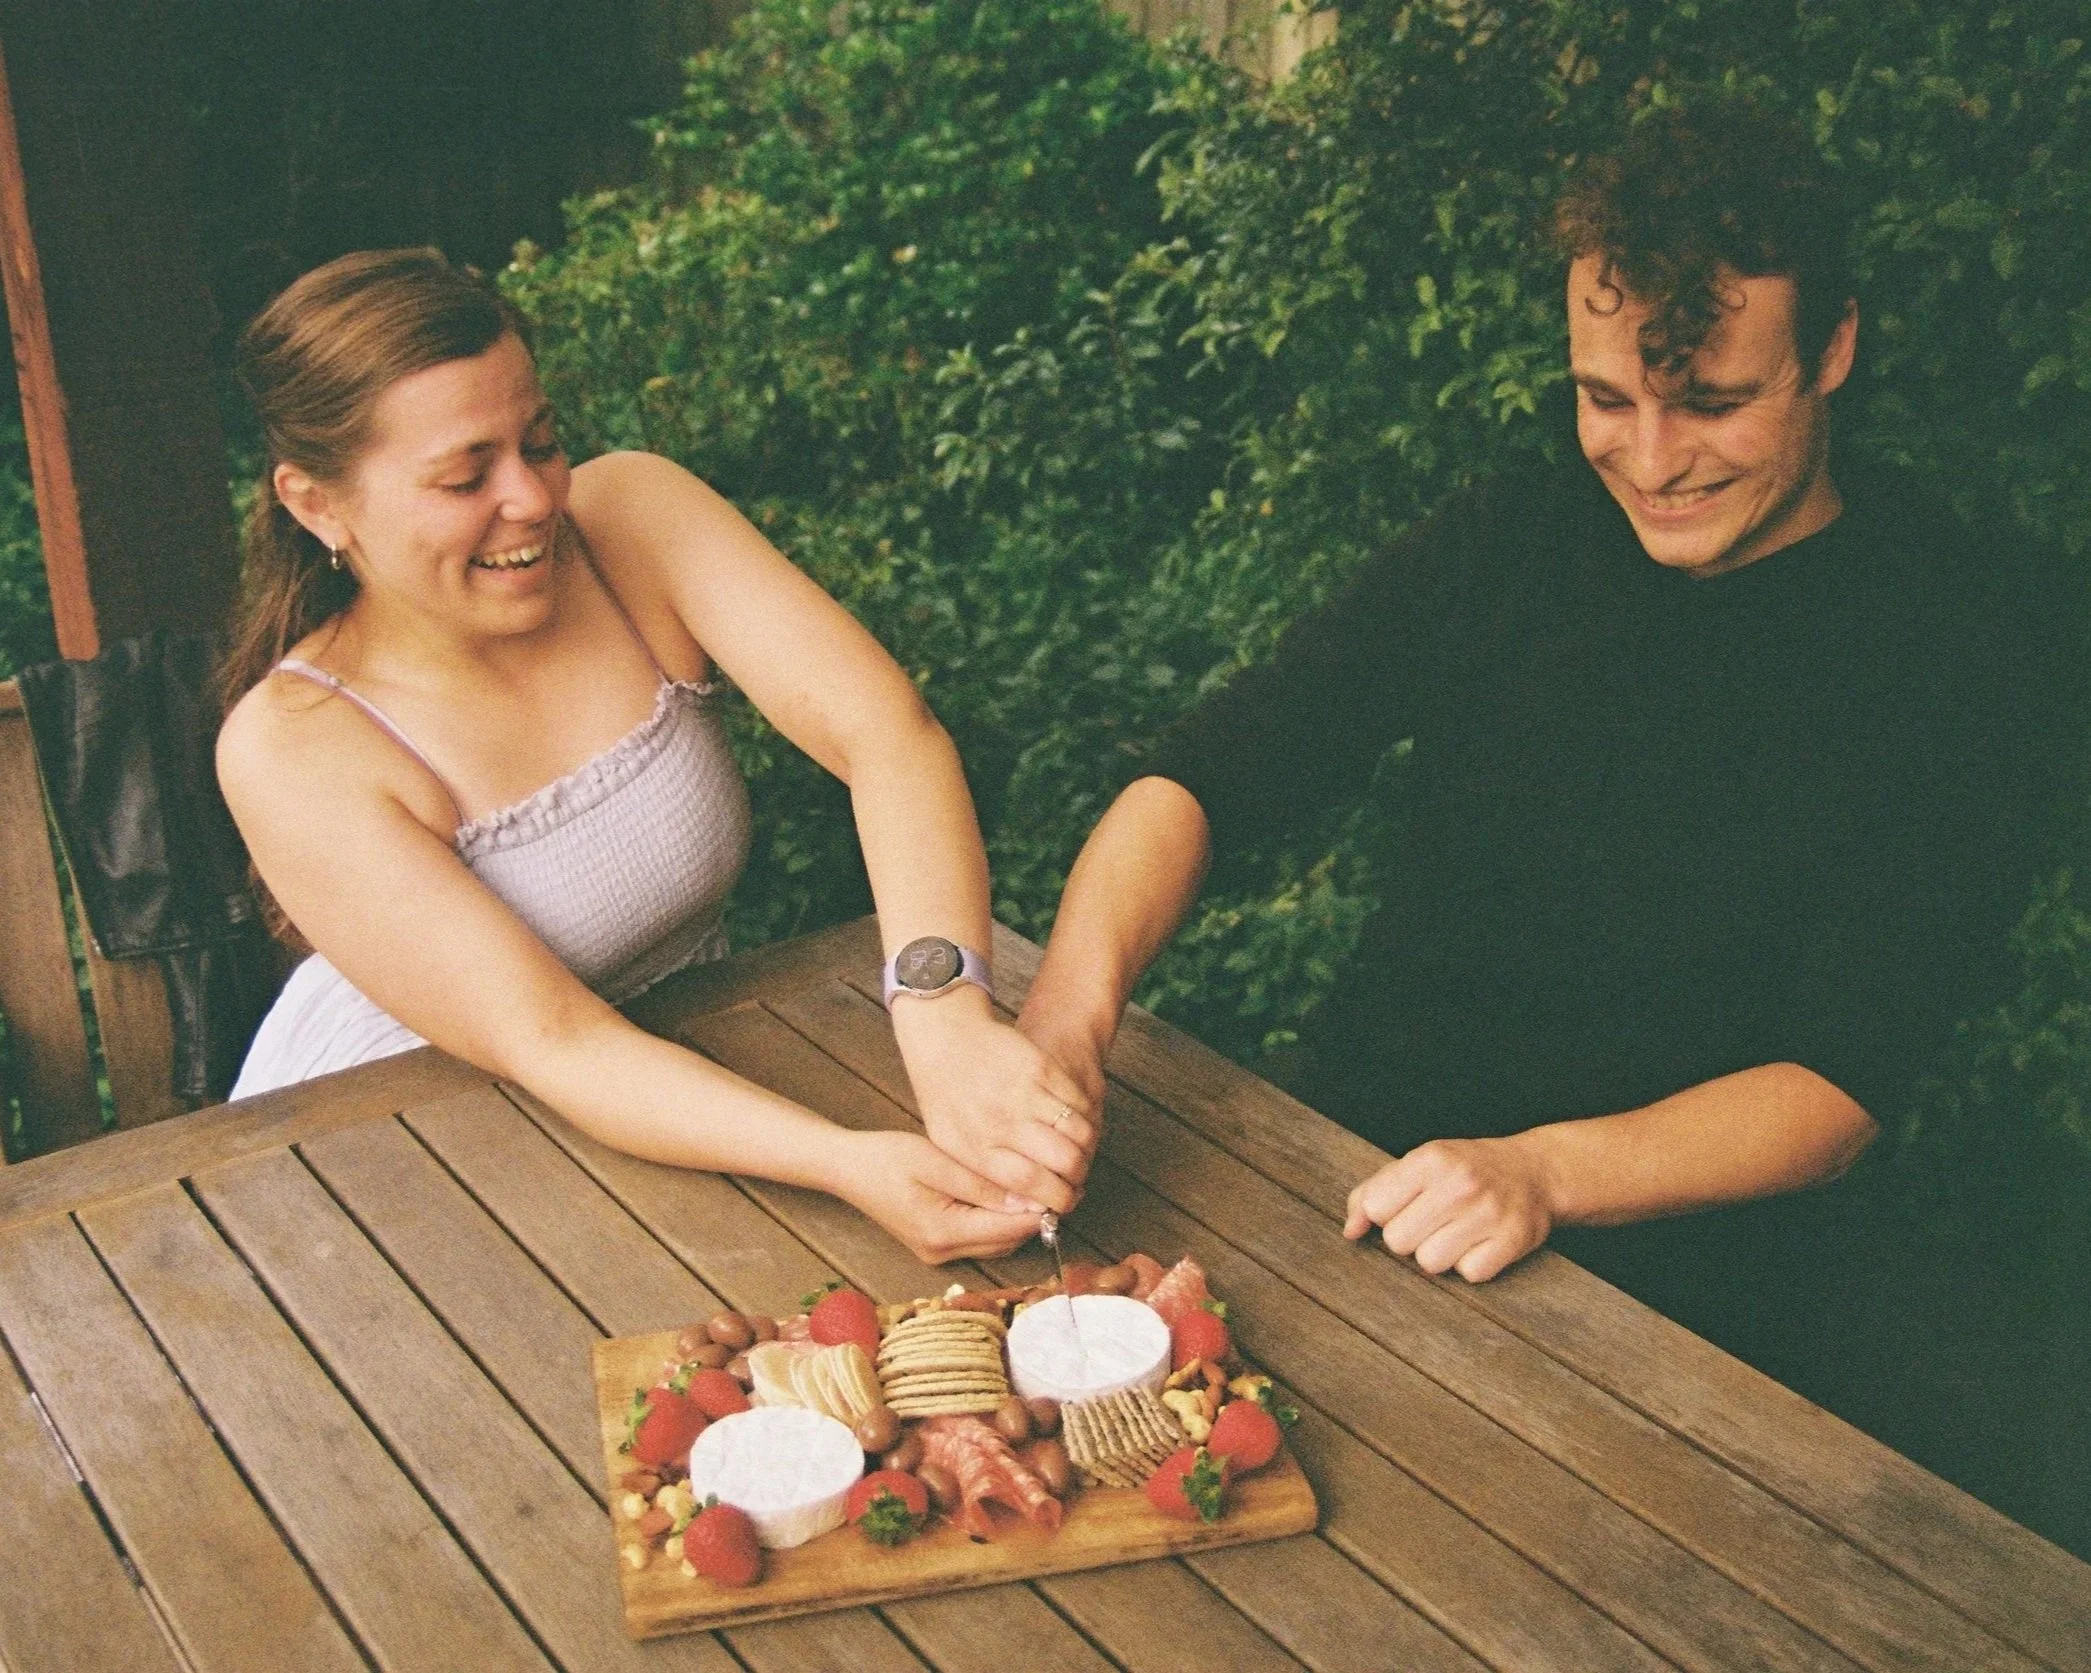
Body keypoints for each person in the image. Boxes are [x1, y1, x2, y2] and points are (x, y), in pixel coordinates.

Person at [1014, 103, 2063, 1374]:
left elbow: (1839, 1086)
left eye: (1715, 403)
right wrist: (1066, 1024)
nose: (1655, 461)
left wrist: (1540, 1172)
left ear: (1833, 346)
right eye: (1606, 398)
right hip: (1359, 1165)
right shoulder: (1515, 535)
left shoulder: (1961, 634)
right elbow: (1207, 777)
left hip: (1689, 1286)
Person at [217, 248, 1095, 1264]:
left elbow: (888, 736)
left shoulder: (629, 516)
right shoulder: (291, 746)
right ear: (316, 502)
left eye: (541, 442)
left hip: (669, 1092)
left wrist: (942, 1011)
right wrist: (849, 1161)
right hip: (385, 1145)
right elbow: (554, 1038)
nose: (535, 497)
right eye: (466, 476)